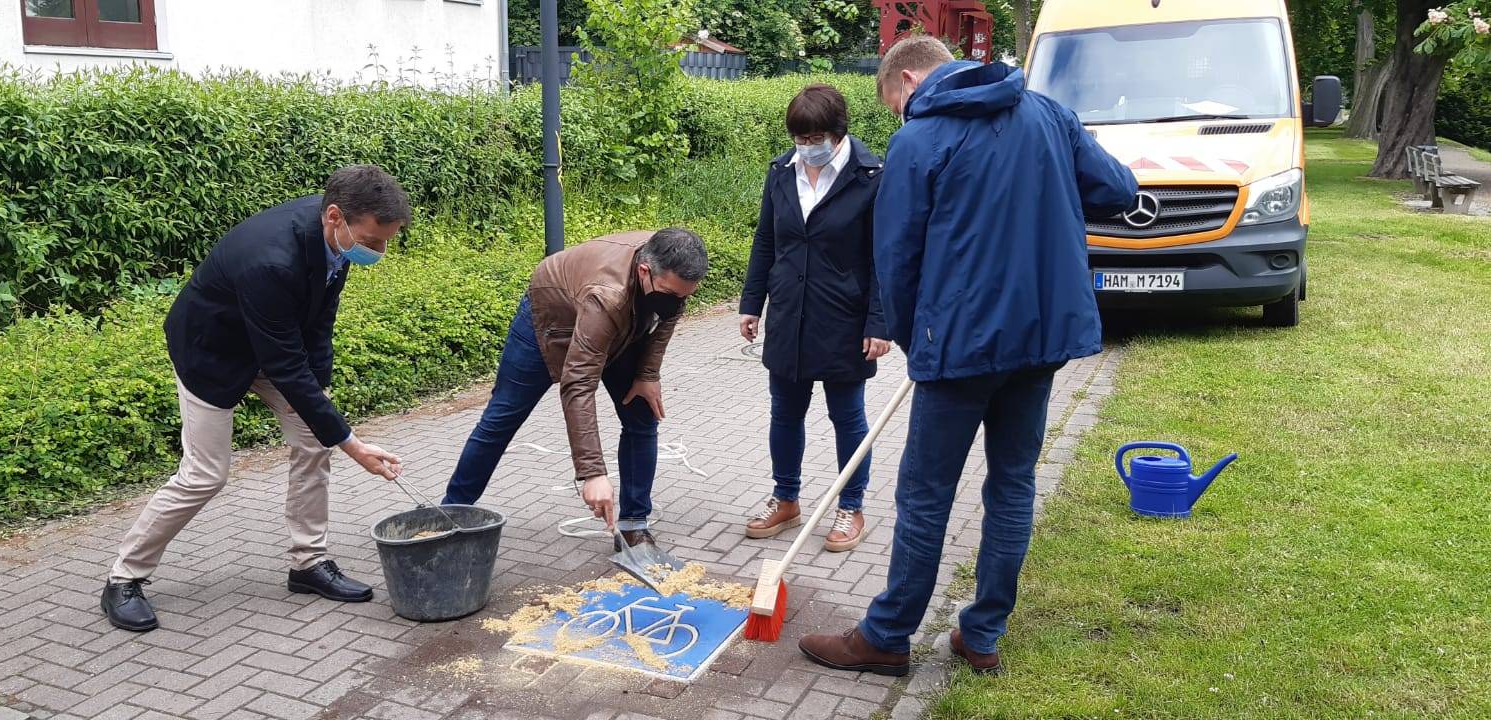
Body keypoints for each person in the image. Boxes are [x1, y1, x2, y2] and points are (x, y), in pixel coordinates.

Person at [798, 37, 1138, 676]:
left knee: (925, 493)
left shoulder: (920, 139)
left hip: (957, 348)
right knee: (1012, 483)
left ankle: (887, 636)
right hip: (1039, 343)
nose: (899, 111)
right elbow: (1120, 190)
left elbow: (894, 259)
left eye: (895, 100)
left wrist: (909, 338)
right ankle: (982, 635)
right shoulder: (1048, 114)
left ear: (907, 80)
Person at [102, 165, 411, 633]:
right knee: (206, 475)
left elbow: (318, 325)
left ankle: (308, 565)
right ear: (334, 217)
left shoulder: (338, 234)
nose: (380, 251)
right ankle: (123, 578)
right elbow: (285, 363)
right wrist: (353, 443)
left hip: (273, 343)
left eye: (386, 241)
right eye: (373, 241)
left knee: (313, 443)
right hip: (213, 352)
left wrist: (321, 402)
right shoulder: (271, 259)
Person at [442, 229, 707, 549]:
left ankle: (634, 525)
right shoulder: (608, 294)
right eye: (671, 294)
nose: (677, 304)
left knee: (641, 415)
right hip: (550, 323)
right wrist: (592, 473)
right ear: (644, 271)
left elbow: (664, 318)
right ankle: (452, 513)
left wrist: (648, 374)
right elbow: (578, 384)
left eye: (684, 297)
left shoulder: (670, 272)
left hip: (619, 327)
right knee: (502, 417)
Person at [738, 84, 891, 552]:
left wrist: (879, 323)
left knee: (848, 417)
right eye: (800, 139)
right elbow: (767, 240)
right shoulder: (781, 171)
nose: (807, 148)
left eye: (815, 138)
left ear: (838, 133)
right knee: (784, 412)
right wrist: (751, 302)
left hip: (844, 316)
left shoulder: (872, 176)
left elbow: (883, 255)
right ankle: (785, 498)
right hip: (789, 311)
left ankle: (852, 505)